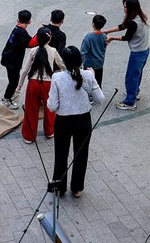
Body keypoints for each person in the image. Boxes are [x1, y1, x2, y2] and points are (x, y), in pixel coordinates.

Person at [47, 46, 105, 198]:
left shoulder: (57, 78)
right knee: (81, 154)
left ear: (64, 62)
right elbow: (100, 99)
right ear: (80, 60)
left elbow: (52, 106)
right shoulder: (88, 75)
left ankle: (59, 187)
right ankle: (77, 188)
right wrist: (93, 78)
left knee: (61, 154)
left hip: (63, 122)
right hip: (83, 120)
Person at [16, 27, 65, 143]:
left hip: (33, 83)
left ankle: (29, 136)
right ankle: (50, 131)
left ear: (37, 38)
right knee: (50, 108)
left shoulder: (33, 51)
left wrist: (20, 85)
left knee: (31, 109)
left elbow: (24, 70)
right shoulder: (53, 51)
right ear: (50, 38)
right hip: (48, 84)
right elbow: (62, 65)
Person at [104, 0, 150, 110]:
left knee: (131, 77)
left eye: (125, 7)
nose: (124, 9)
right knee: (137, 74)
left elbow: (127, 37)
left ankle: (130, 102)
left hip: (138, 53)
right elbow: (122, 26)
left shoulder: (134, 22)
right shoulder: (139, 16)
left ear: (131, 8)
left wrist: (111, 38)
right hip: (145, 50)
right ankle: (134, 92)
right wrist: (107, 30)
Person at [0, 9, 33, 110]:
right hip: (13, 61)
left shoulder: (17, 29)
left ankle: (9, 95)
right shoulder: (22, 33)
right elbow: (31, 43)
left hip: (8, 58)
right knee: (13, 81)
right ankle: (6, 99)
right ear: (30, 21)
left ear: (18, 20)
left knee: (13, 79)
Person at [80, 14, 109, 87]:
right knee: (98, 82)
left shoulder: (89, 37)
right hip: (99, 63)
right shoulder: (104, 36)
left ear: (93, 24)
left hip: (89, 64)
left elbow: (83, 51)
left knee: (88, 83)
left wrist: (80, 64)